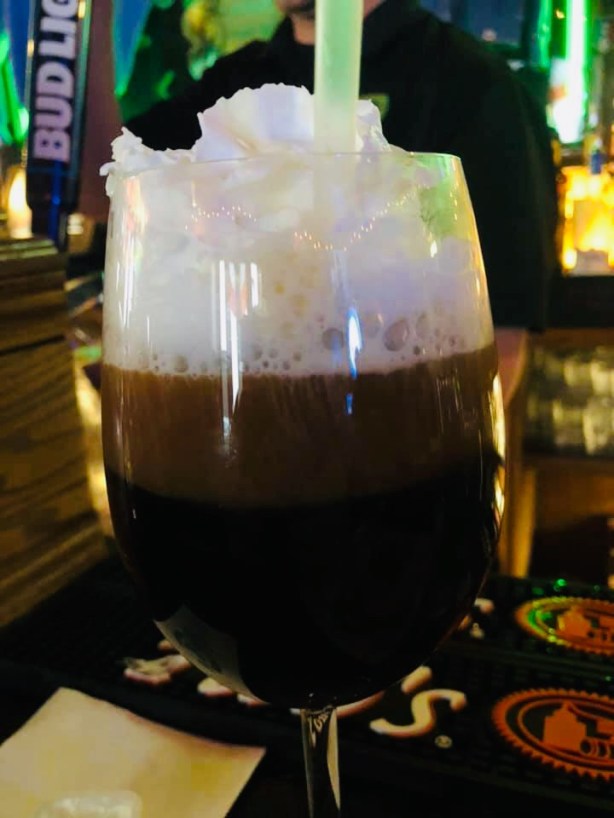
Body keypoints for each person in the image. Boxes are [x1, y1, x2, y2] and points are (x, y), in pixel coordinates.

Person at [126, 0, 560, 331]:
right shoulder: (236, 84)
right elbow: (115, 180)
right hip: (233, 391)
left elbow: (500, 335)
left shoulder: (473, 84)